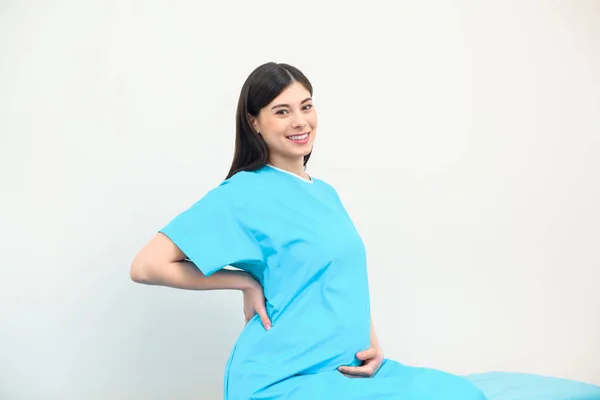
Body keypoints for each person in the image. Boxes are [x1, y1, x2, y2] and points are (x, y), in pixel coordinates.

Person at [130, 62, 487, 400]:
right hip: (283, 378)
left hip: (344, 369)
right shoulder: (243, 193)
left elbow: (342, 276)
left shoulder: (326, 193)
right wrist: (243, 281)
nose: (300, 121)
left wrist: (372, 347)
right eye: (281, 111)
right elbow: (146, 266)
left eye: (306, 107)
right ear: (254, 122)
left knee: (463, 393)